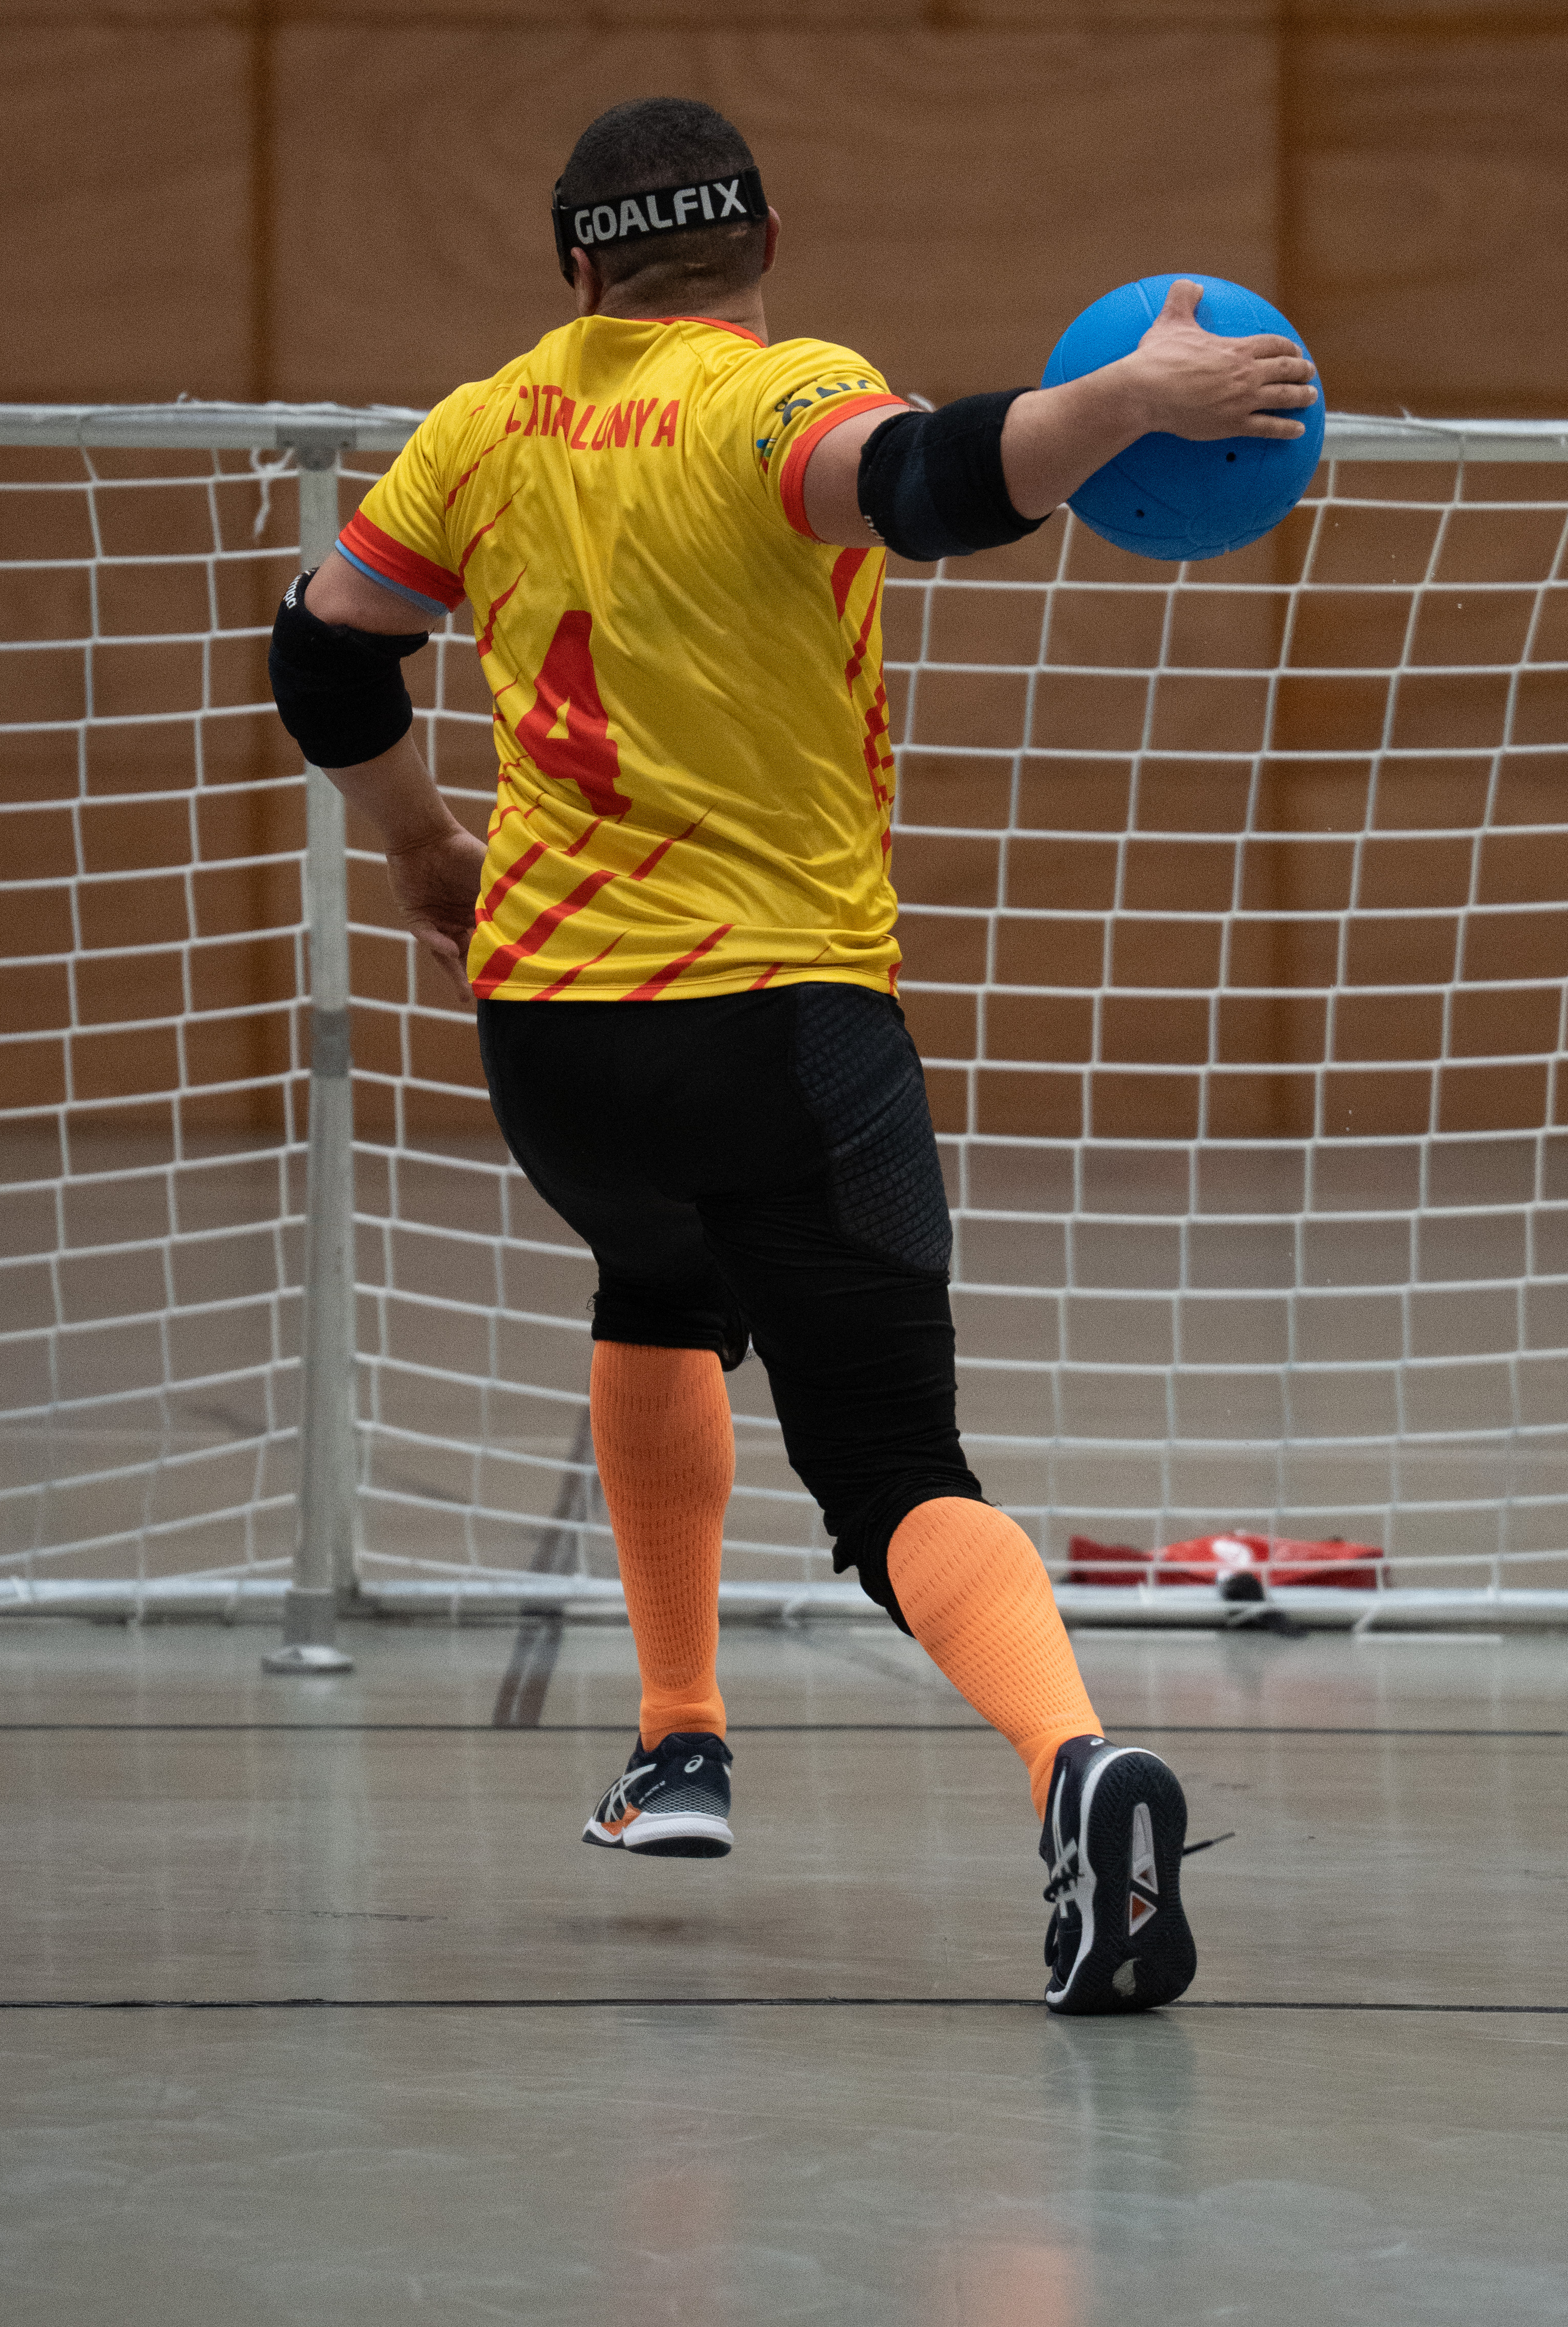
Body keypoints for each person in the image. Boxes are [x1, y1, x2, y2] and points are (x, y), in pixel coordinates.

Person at [268, 97, 1314, 2014]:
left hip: (555, 1045)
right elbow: (936, 483)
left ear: (577, 266)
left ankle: (680, 1742)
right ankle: (1079, 1766)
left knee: (654, 1277)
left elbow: (325, 649)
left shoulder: (487, 422)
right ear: (762, 252)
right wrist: (1136, 399)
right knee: (894, 1457)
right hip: (785, 1025)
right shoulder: (777, 397)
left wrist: (420, 839)